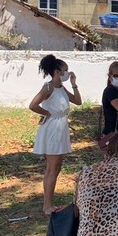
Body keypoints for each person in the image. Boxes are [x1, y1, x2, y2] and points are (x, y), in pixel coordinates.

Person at [29, 54, 81, 215]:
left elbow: (78, 101)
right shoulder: (48, 87)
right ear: (57, 72)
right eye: (65, 71)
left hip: (60, 127)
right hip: (53, 129)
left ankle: (48, 203)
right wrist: (47, 113)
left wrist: (74, 85)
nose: (67, 73)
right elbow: (33, 104)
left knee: (54, 167)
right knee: (53, 167)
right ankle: (47, 206)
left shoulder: (61, 88)